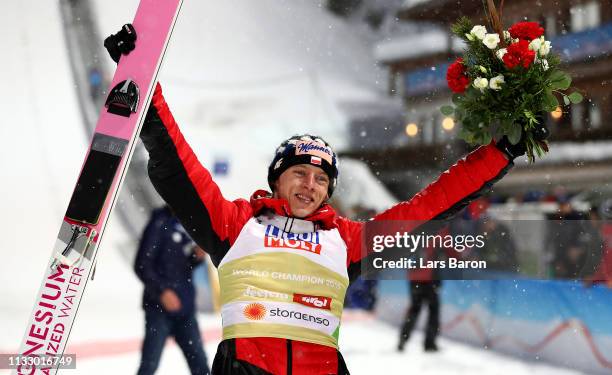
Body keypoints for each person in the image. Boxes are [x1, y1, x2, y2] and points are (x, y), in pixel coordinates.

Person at [107, 25, 533, 375]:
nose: (310, 185)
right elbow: (177, 163)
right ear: (277, 180)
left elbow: (428, 207)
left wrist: (500, 152)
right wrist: (141, 78)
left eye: (320, 179)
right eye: (299, 173)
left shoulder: (346, 241)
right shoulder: (235, 225)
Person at [135, 205, 210, 375]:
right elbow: (142, 264)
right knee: (149, 365)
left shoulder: (189, 221)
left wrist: (196, 256)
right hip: (158, 310)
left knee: (201, 366)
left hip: (186, 309)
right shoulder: (159, 221)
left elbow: (182, 263)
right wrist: (163, 291)